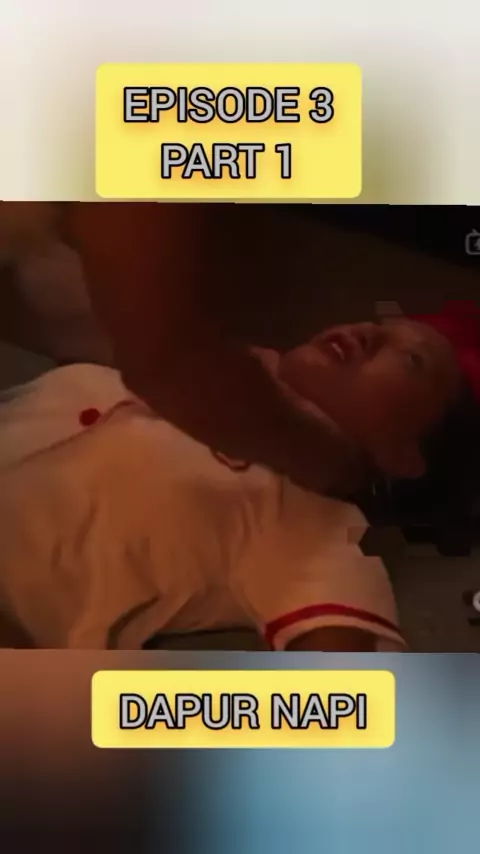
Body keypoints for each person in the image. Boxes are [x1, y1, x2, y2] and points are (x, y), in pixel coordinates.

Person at [0, 308, 472, 652]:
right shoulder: (162, 364)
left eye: (412, 360)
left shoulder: (312, 523)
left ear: (404, 458)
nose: (371, 332)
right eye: (381, 323)